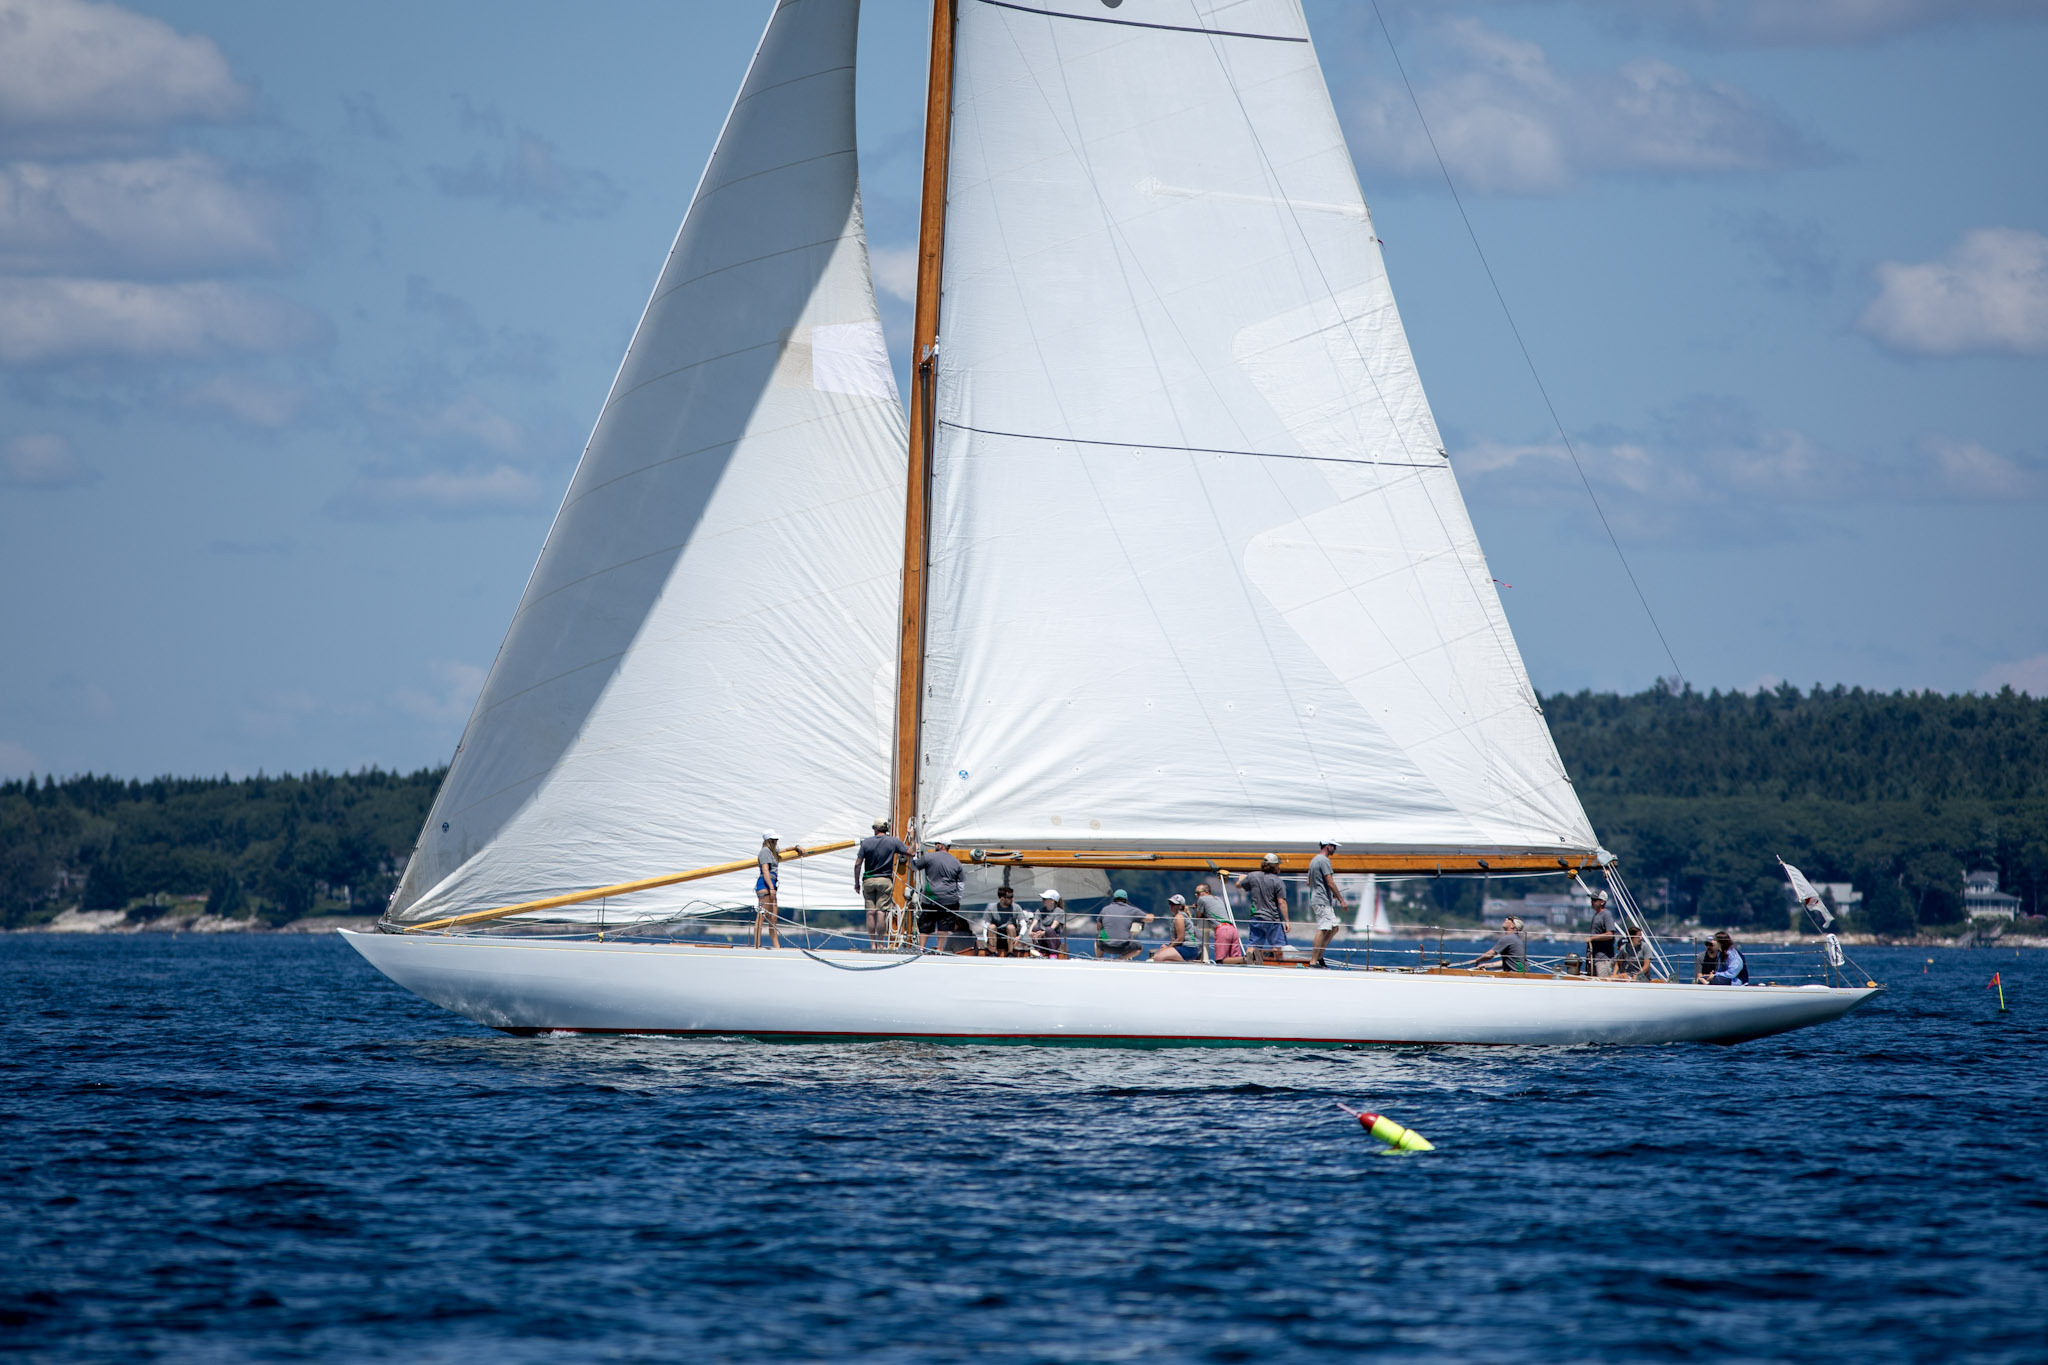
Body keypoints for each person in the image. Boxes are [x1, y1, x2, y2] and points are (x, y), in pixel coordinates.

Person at [853, 818, 910, 949]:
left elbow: (857, 864)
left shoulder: (866, 843)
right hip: (885, 880)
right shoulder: (893, 841)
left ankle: (872, 944)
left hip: (868, 880)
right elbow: (911, 852)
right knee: (881, 912)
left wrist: (857, 883)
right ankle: (880, 943)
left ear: (875, 828)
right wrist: (912, 838)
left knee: (870, 912)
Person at [912, 838, 971, 953]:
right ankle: (939, 948)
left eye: (936, 844)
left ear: (941, 846)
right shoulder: (956, 861)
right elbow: (960, 883)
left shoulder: (929, 857)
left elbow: (915, 866)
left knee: (925, 925)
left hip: (930, 898)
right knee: (944, 926)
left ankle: (921, 948)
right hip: (949, 900)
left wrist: (914, 855)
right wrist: (957, 897)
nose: (935, 845)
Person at [1237, 853, 1290, 963]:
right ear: (1275, 866)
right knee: (1278, 946)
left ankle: (1249, 964)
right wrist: (1287, 921)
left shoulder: (1252, 876)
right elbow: (1282, 902)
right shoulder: (1277, 881)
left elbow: (1238, 885)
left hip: (1256, 917)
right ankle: (1272, 964)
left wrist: (1241, 878)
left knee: (1252, 945)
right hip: (1272, 919)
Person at [753, 831, 801, 949]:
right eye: (775, 840)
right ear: (770, 841)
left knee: (773, 918)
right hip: (765, 885)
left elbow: (785, 850)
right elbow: (765, 870)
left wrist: (796, 847)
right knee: (762, 916)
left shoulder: (772, 851)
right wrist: (771, 887)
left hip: (772, 885)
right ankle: (756, 945)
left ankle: (776, 946)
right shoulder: (765, 851)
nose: (777, 841)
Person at [1306, 839, 1348, 968]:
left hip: (1320, 898)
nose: (1335, 849)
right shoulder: (1324, 861)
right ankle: (1313, 961)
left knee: (1334, 928)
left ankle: (1319, 956)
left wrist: (1327, 891)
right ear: (1328, 846)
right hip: (1322, 900)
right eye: (1334, 847)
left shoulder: (1314, 860)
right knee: (1323, 928)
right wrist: (1341, 899)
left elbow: (1308, 881)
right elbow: (1330, 881)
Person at [1098, 889, 1153, 960]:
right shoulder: (1131, 910)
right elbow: (1150, 919)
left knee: (1098, 939)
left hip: (1105, 946)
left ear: (1114, 899)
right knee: (1139, 948)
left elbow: (1098, 929)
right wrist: (1151, 915)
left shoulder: (1105, 910)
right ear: (1126, 899)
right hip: (1123, 947)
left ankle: (1099, 959)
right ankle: (1120, 959)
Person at [1152, 894, 1202, 962]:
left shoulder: (1179, 917)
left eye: (1173, 904)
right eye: (1170, 903)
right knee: (1165, 961)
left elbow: (1180, 938)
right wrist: (1167, 947)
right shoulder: (1177, 916)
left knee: (1157, 958)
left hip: (1189, 948)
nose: (1171, 906)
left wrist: (1167, 948)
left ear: (1180, 906)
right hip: (1185, 948)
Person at [985, 884, 1024, 957]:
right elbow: (985, 926)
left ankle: (1010, 953)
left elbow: (1023, 925)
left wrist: (1020, 937)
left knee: (1011, 927)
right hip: (996, 938)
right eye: (1010, 897)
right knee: (992, 927)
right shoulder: (991, 908)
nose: (1013, 899)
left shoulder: (1016, 907)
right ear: (1002, 898)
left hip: (1011, 938)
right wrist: (985, 941)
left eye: (1012, 896)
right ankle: (993, 952)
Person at [1585, 891, 1618, 976]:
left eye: (1595, 900)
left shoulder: (1606, 914)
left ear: (1602, 902)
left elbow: (1610, 934)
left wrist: (1592, 938)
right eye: (1592, 899)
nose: (1592, 902)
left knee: (1603, 982)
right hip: (1594, 957)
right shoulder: (1597, 915)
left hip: (1603, 959)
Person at [1033, 888, 1067, 958]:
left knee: (1049, 929)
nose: (1043, 900)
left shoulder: (1059, 912)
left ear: (1052, 901)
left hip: (1053, 941)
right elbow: (1034, 923)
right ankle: (1039, 952)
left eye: (1045, 899)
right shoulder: (1039, 910)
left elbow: (1053, 926)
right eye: (1043, 898)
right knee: (1035, 928)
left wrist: (1042, 933)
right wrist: (1031, 932)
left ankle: (1053, 954)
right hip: (1042, 938)